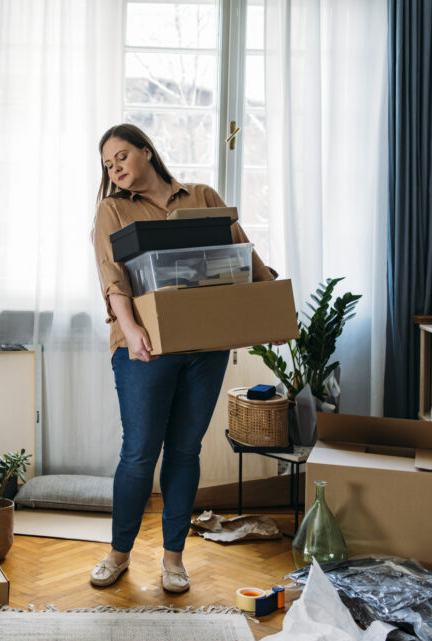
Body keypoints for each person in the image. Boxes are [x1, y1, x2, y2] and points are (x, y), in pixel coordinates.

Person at [90, 123, 277, 592]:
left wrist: (269, 302)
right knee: (138, 453)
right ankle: (119, 553)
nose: (115, 169)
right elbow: (114, 279)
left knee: (185, 450)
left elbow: (241, 252)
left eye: (121, 157)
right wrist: (131, 331)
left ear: (147, 152)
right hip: (145, 349)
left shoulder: (202, 196)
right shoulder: (111, 210)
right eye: (108, 164)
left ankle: (173, 558)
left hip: (205, 346)